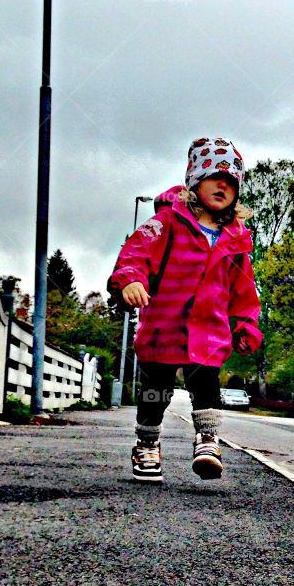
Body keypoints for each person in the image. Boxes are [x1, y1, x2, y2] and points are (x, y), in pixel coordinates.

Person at [109, 137, 263, 482]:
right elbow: (135, 254)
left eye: (231, 182)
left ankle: (208, 441)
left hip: (208, 330)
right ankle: (147, 442)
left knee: (206, 384)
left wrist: (245, 325)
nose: (223, 185)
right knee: (157, 391)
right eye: (214, 178)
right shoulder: (167, 223)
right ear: (195, 182)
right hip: (164, 326)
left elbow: (243, 291)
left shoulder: (235, 241)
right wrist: (130, 280)